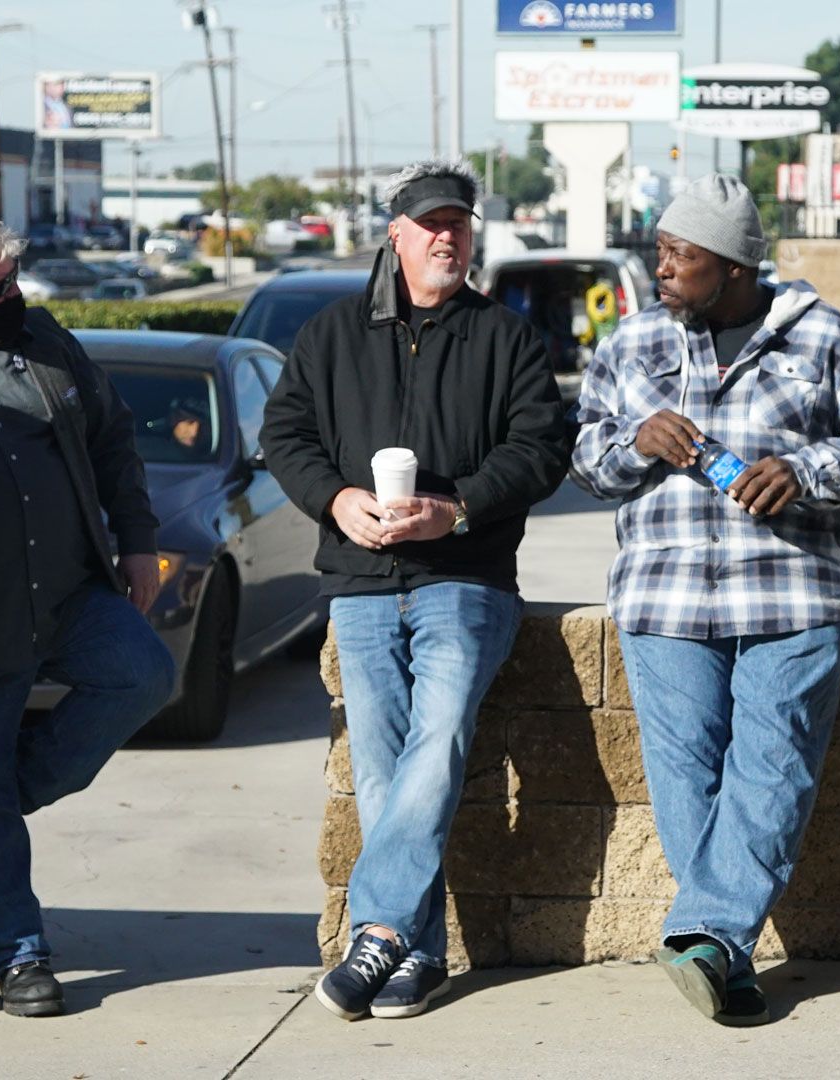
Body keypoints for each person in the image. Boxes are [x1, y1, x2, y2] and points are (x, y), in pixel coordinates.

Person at [571, 175, 840, 1026]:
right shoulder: (632, 344)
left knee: (774, 770)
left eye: (679, 256)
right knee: (686, 781)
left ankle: (707, 933)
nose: (661, 268)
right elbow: (581, 456)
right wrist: (632, 442)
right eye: (660, 251)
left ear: (729, 266)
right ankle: (724, 951)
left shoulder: (826, 338)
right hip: (666, 599)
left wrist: (807, 472)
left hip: (794, 594)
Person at [261, 159, 572, 1021]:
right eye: (431, 224)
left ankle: (376, 929)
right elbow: (283, 433)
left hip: (465, 581)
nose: (448, 237)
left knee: (435, 745)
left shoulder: (505, 337)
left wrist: (457, 509)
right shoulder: (329, 336)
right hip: (359, 583)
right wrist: (336, 498)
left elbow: (541, 449)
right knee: (380, 771)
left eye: (461, 225)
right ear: (394, 233)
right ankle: (418, 952)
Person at [0, 210, 176, 1017]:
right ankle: (17, 954)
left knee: (143, 675)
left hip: (68, 595)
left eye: (14, 279)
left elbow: (115, 440)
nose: (8, 295)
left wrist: (137, 541)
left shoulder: (46, 340)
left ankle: (9, 785)